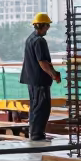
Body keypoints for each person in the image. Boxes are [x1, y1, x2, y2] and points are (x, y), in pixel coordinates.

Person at [20, 12, 61, 142]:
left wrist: (53, 72)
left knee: (35, 106)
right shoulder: (40, 41)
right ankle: (37, 135)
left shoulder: (30, 38)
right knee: (42, 108)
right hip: (40, 80)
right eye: (47, 26)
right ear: (43, 26)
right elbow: (43, 63)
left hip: (32, 80)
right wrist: (54, 75)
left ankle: (35, 133)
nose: (48, 29)